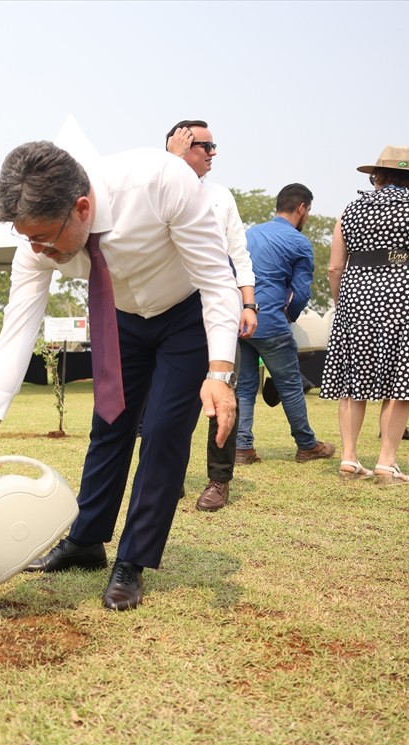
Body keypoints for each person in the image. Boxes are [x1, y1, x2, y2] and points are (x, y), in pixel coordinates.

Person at [0, 139, 239, 612]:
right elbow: (18, 328)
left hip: (186, 313)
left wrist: (220, 372)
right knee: (109, 423)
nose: (37, 250)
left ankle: (133, 558)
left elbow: (216, 279)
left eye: (45, 238)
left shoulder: (160, 181)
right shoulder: (36, 240)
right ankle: (86, 541)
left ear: (82, 208)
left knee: (164, 432)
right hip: (121, 315)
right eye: (27, 238)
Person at [320, 146, 409, 485]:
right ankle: (386, 463)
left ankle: (349, 460)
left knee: (353, 381)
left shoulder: (351, 209)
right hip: (401, 295)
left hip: (355, 297)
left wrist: (344, 304)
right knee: (399, 380)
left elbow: (335, 266)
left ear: (376, 175)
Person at [165, 120, 267, 511]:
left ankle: (218, 480)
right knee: (172, 399)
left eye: (213, 146)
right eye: (204, 146)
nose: (212, 153)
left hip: (218, 305)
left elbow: (238, 253)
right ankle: (168, 474)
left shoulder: (221, 196)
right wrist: (170, 164)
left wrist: (248, 303)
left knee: (223, 389)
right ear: (179, 145)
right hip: (171, 309)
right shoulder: (154, 190)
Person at [236, 183, 335, 464]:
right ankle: (306, 445)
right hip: (271, 323)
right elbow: (301, 292)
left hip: (241, 320)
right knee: (290, 384)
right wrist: (288, 316)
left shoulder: (249, 234)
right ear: (302, 208)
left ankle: (243, 448)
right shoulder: (299, 242)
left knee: (245, 387)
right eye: (309, 211)